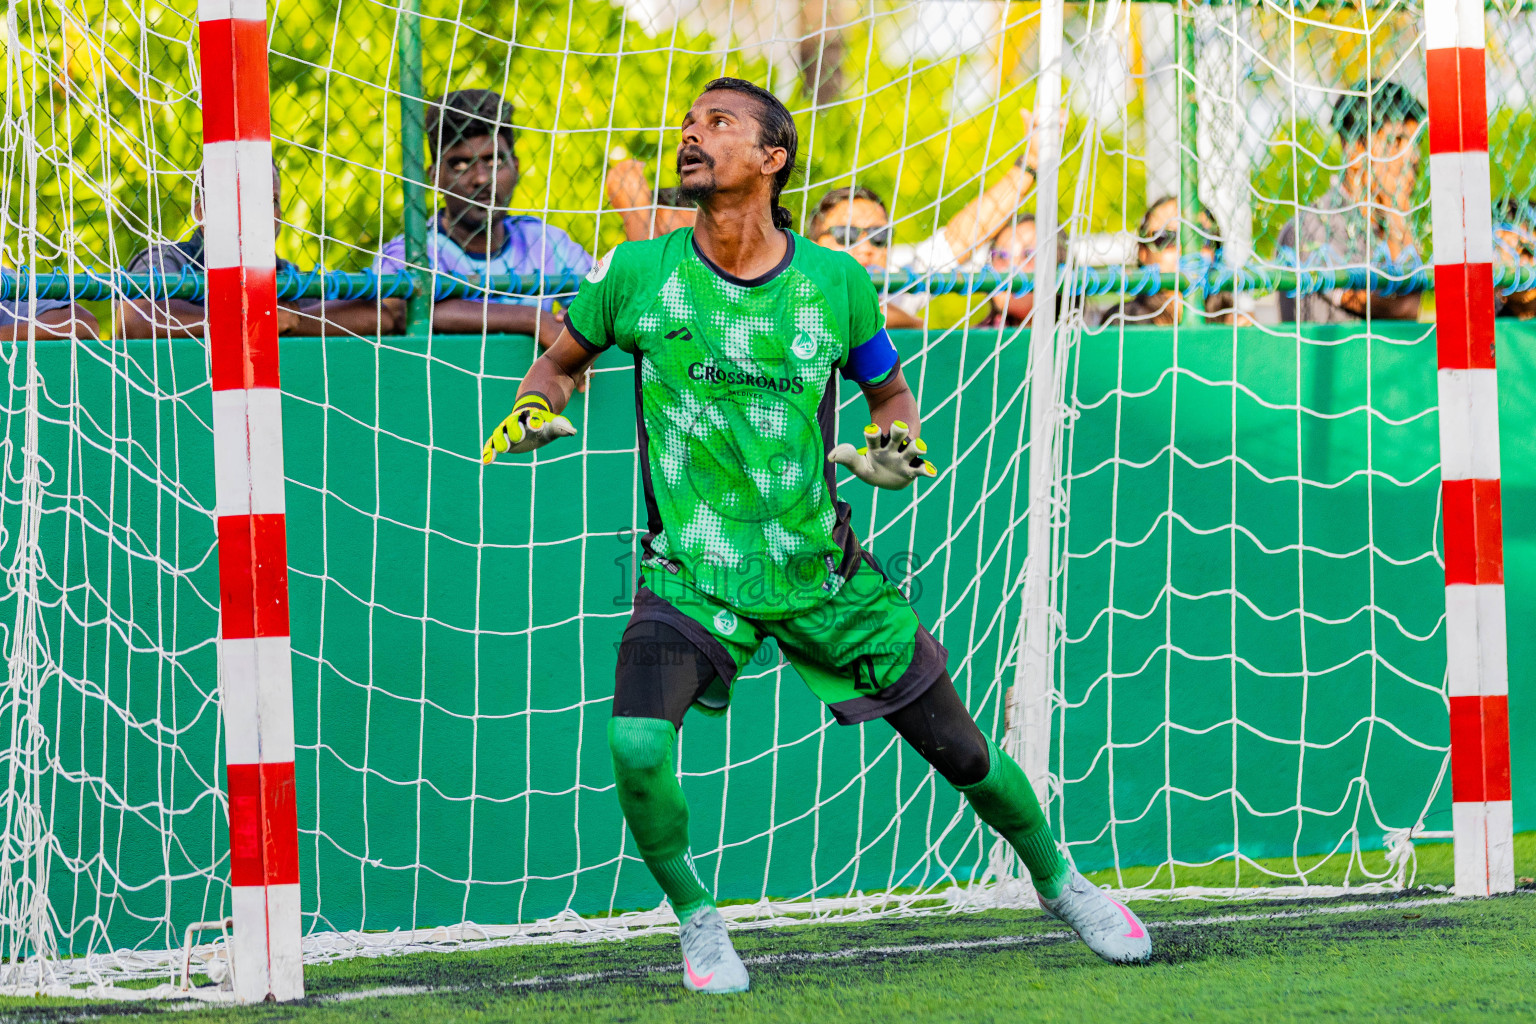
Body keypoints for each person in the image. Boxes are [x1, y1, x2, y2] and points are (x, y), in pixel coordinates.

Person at [481, 77, 1153, 994]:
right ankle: (698, 920)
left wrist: (897, 450)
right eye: (688, 122)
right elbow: (559, 363)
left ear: (772, 157)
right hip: (690, 576)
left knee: (964, 753)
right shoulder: (635, 273)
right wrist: (533, 405)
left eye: (718, 123)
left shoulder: (835, 283)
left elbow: (891, 397)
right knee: (635, 747)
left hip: (822, 575)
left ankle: (1058, 880)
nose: (691, 134)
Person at [606, 111, 1045, 328]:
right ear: (816, 242)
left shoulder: (897, 275)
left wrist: (1030, 165)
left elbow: (965, 232)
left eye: (878, 235)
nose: (867, 246)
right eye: (848, 235)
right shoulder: (785, 270)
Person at [376, 89, 592, 342]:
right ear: (435, 177)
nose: (481, 178)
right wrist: (534, 320)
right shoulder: (415, 251)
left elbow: (604, 299)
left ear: (516, 167)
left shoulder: (544, 241)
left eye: (494, 161)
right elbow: (401, 310)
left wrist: (580, 316)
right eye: (460, 164)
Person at [118, 164, 395, 339]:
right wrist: (249, 324)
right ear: (202, 211)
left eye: (270, 200)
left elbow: (376, 315)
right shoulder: (168, 260)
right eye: (241, 196)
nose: (258, 211)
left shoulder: (284, 274)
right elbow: (134, 317)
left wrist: (292, 322)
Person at [1276, 81, 1425, 323]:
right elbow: (1398, 307)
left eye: (1415, 144)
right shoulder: (1315, 224)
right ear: (1356, 150)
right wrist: (1397, 215)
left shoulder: (1380, 225)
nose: (1413, 156)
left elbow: (1409, 305)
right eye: (1397, 142)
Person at [1097, 197, 1235, 327]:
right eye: (1167, 238)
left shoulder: (1232, 318)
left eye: (1201, 237)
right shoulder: (1124, 320)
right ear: (1143, 253)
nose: (1185, 249)